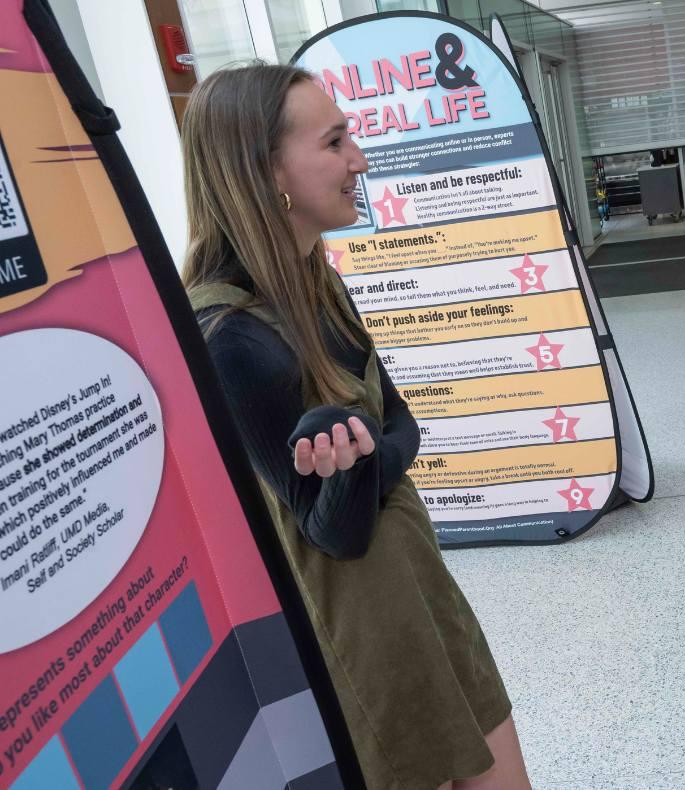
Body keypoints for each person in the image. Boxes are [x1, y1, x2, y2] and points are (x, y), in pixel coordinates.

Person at [179, 64, 531, 790]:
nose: (361, 161)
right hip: (367, 630)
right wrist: (361, 458)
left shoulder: (315, 279)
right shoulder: (229, 338)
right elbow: (333, 533)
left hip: (420, 582)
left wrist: (362, 450)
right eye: (336, 142)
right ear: (264, 170)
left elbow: (400, 422)